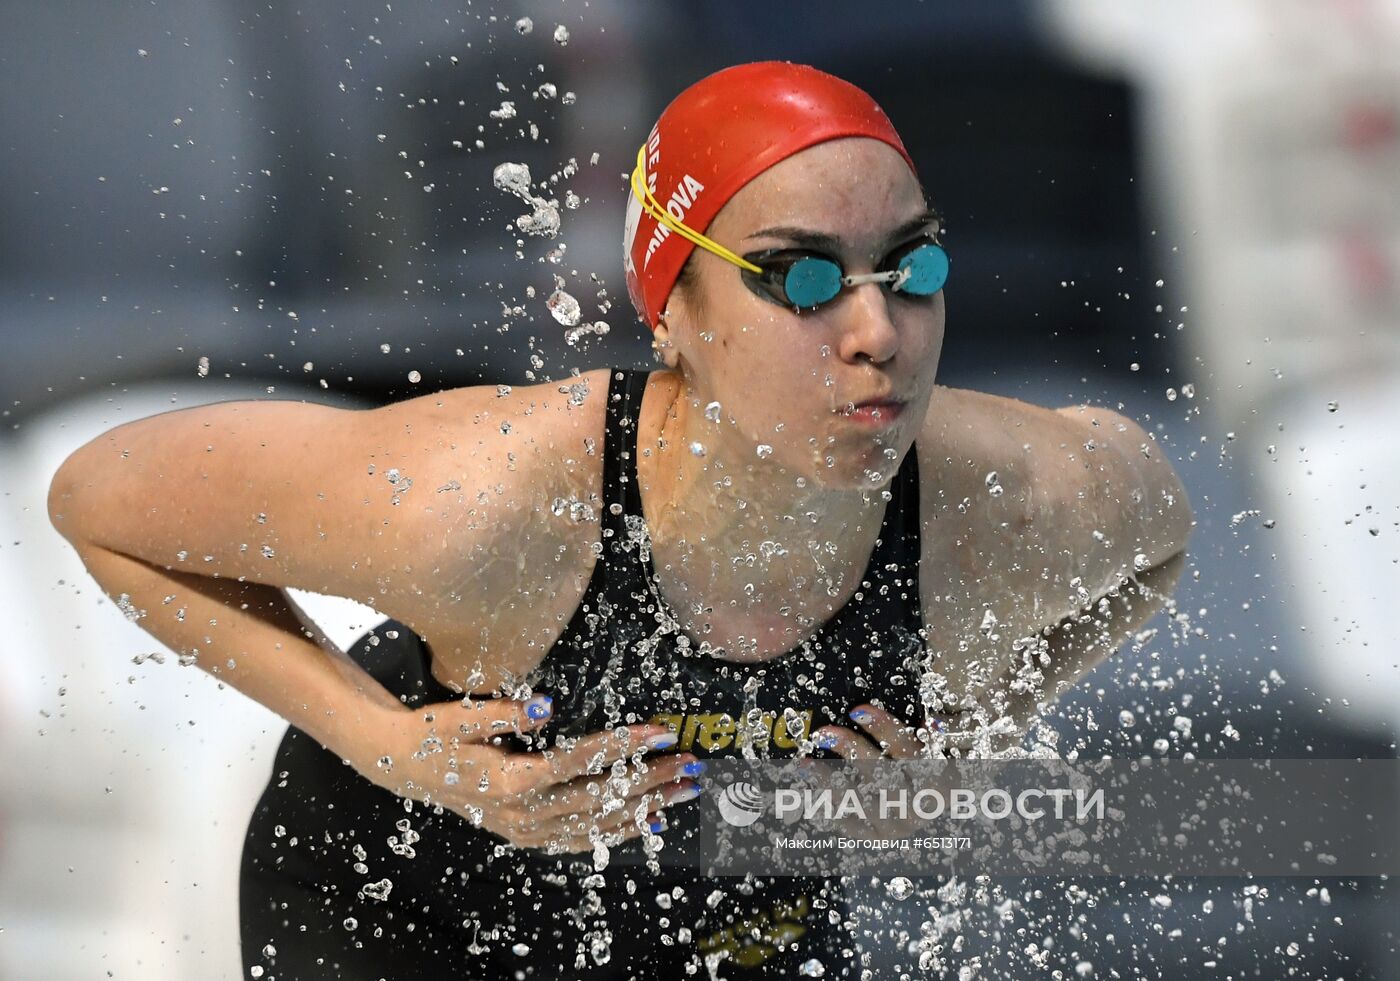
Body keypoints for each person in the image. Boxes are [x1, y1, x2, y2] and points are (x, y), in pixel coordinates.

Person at [46, 61, 1193, 978]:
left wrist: (970, 731)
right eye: (795, 279)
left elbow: (1158, 548)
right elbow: (97, 500)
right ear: (672, 312)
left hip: (734, 917)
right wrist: (384, 743)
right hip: (404, 907)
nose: (874, 333)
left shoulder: (1018, 495)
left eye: (910, 267)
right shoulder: (491, 502)